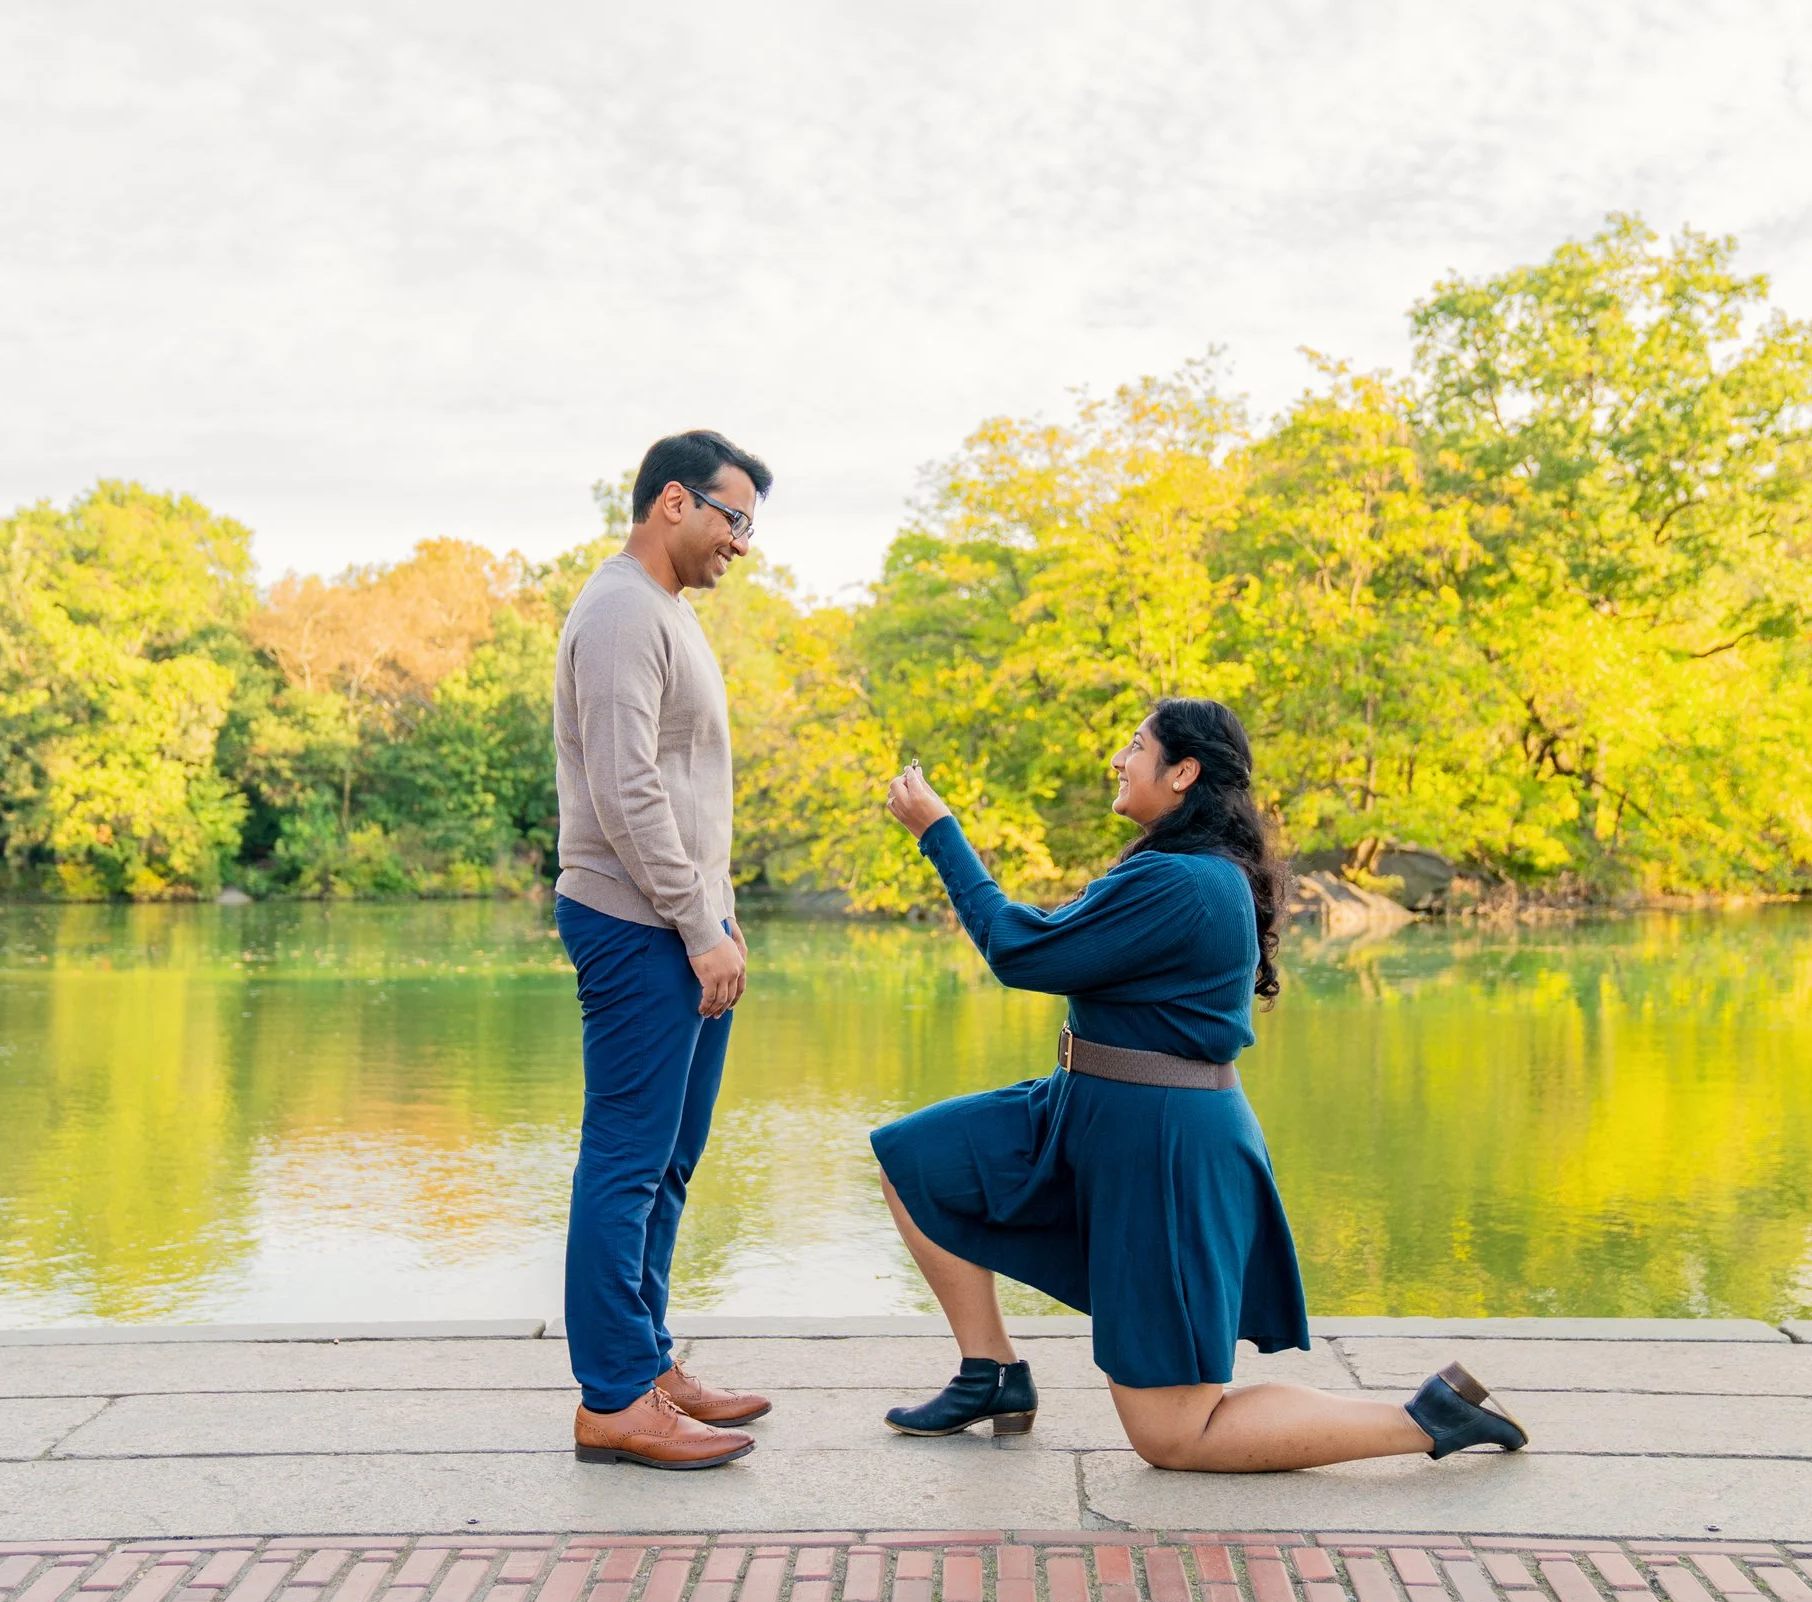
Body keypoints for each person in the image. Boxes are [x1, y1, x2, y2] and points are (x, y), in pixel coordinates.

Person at [872, 698, 1528, 1470]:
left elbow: (1022, 951)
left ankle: (1430, 1418)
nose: (1118, 758)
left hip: (1163, 1149)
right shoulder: (1170, 870)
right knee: (916, 1162)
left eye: (1137, 745)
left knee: (1174, 1433)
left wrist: (939, 835)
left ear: (1184, 772)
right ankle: (992, 1374)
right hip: (1081, 1111)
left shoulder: (1185, 884)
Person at [553, 429, 776, 1470]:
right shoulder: (616, 613)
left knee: (670, 1162)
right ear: (674, 503)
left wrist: (720, 922)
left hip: (685, 923)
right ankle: (612, 1398)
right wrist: (696, 925)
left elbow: (682, 790)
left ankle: (647, 1364)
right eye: (734, 518)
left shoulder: (667, 614)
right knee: (629, 1160)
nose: (742, 542)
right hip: (637, 922)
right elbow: (625, 788)